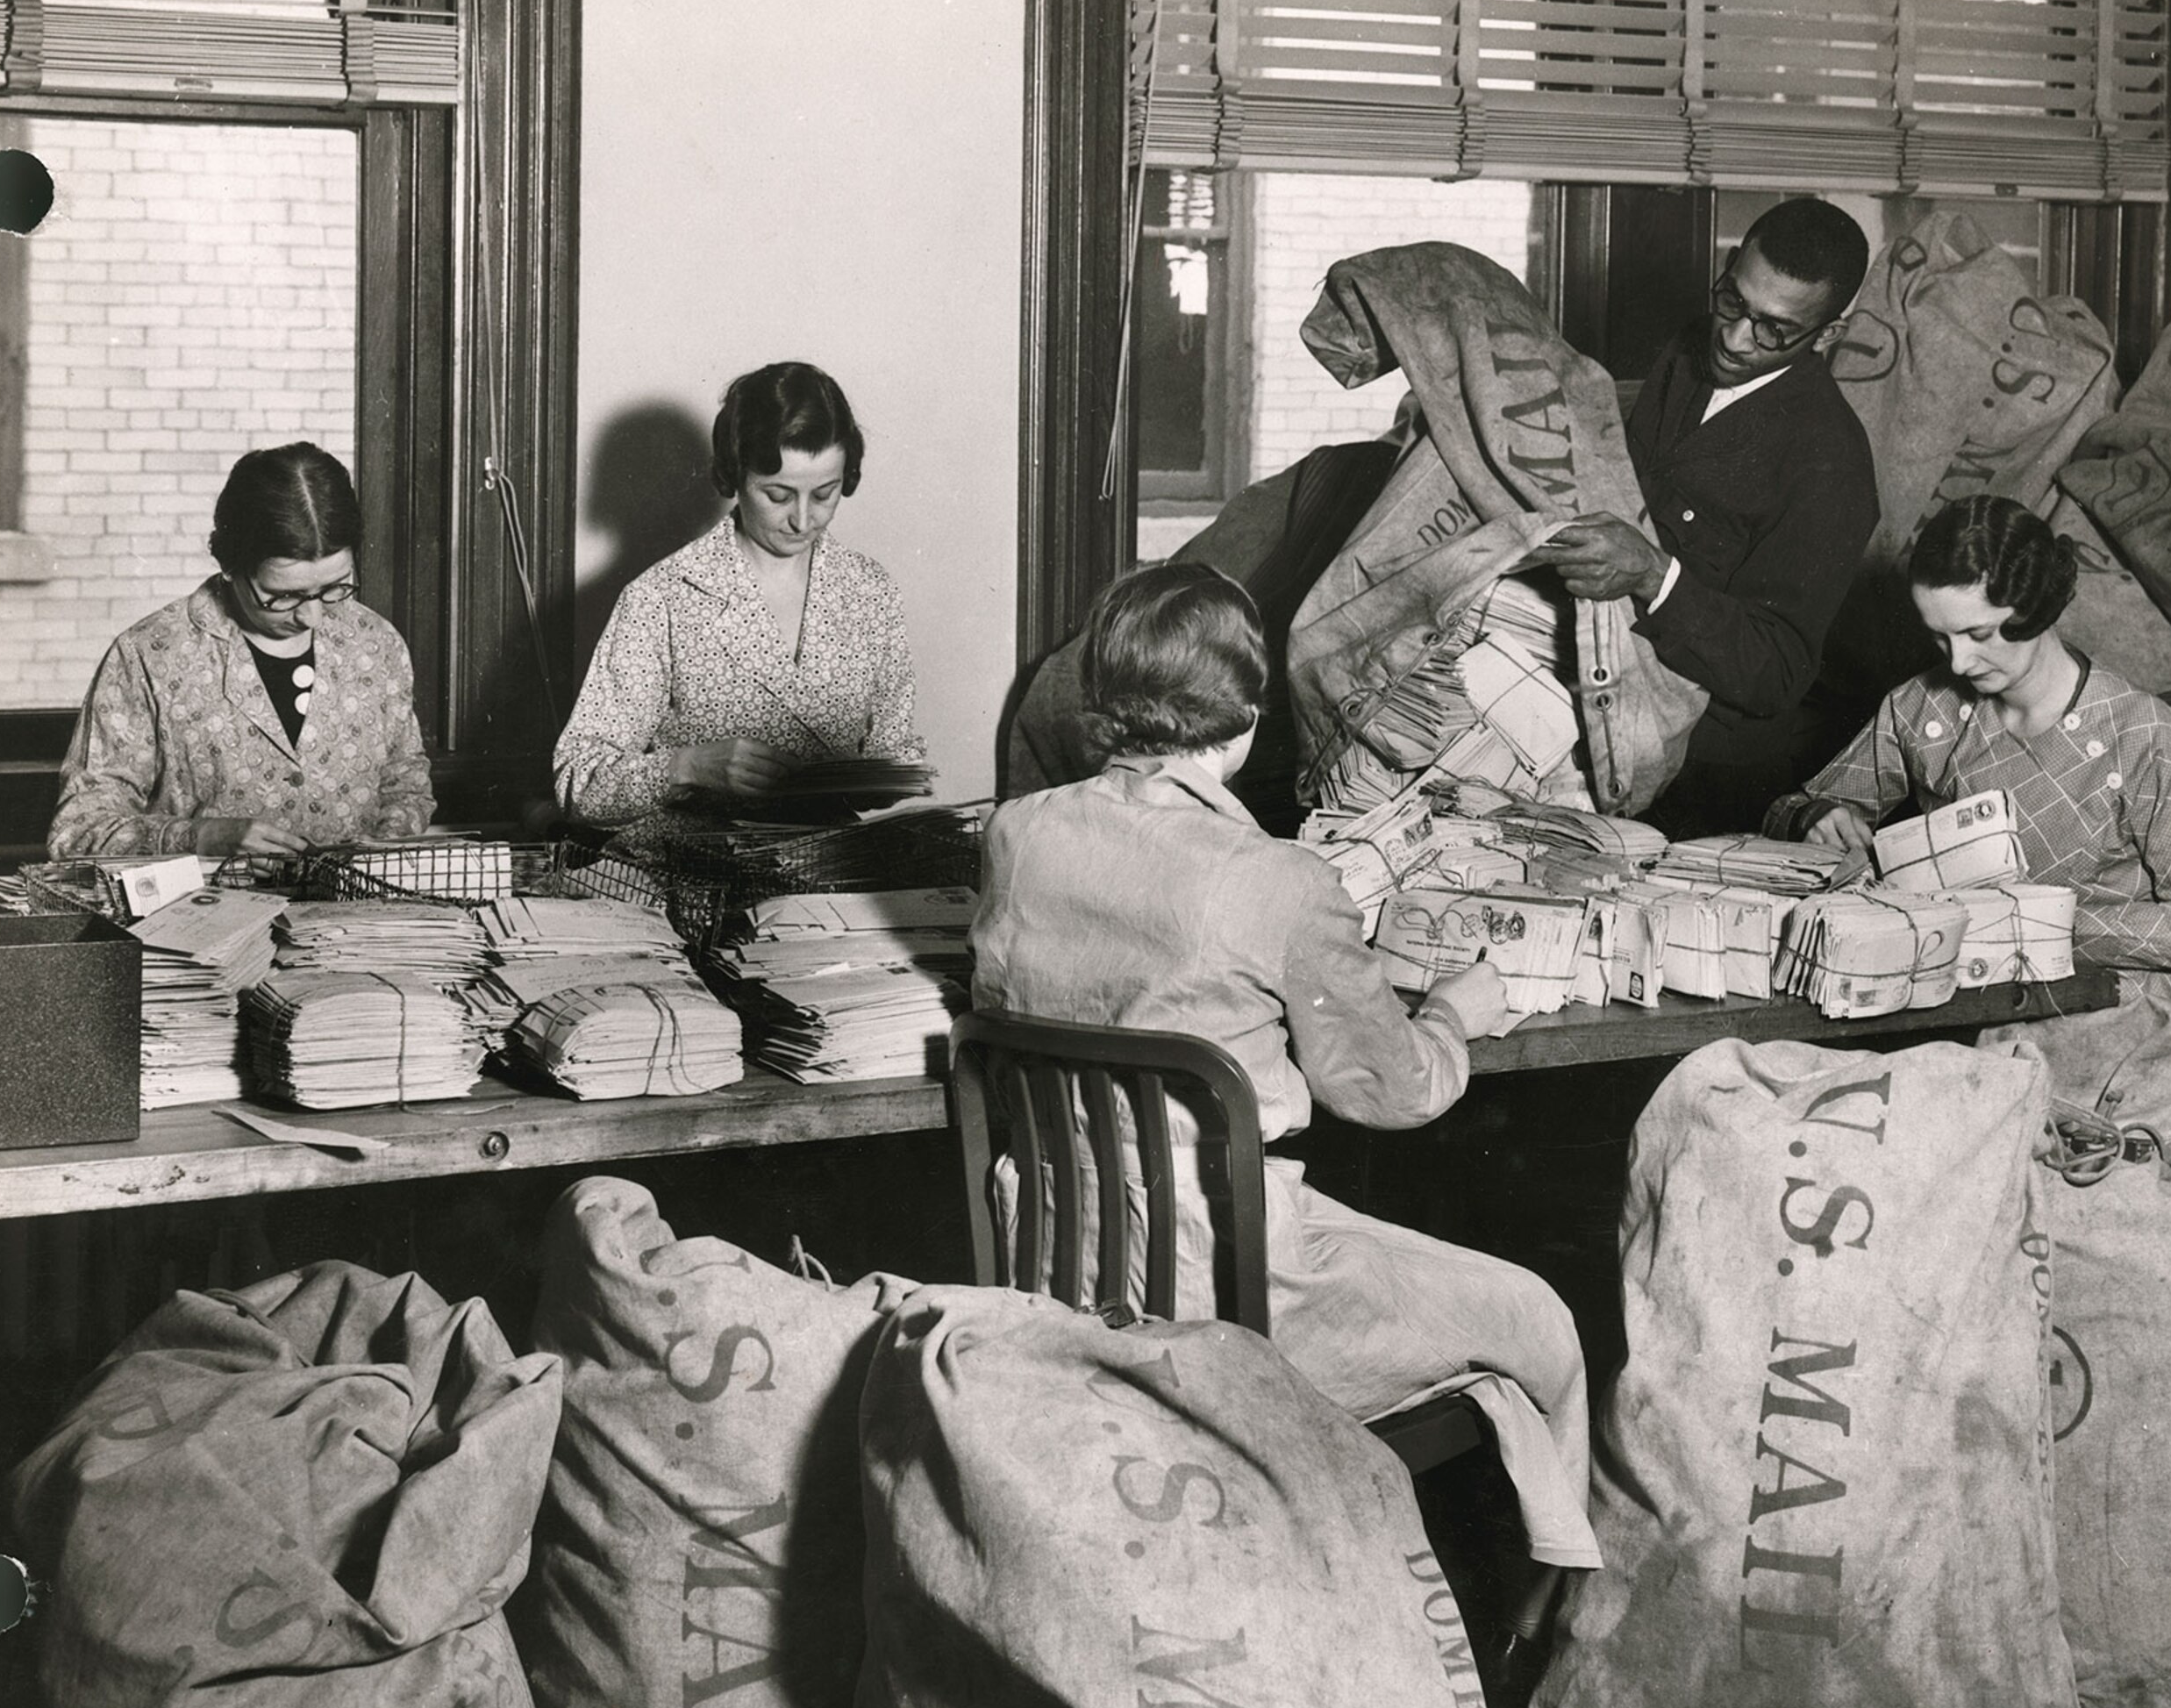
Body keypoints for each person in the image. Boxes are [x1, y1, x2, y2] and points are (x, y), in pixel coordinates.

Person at [969, 561, 1602, 1590]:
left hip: (1056, 1260)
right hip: (1234, 1286)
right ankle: (1541, 1629)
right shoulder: (1271, 881)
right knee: (1535, 1318)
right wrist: (1455, 1012)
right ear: (1246, 723)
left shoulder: (1015, 834)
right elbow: (1390, 1095)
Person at [1765, 494, 2171, 997]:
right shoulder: (1926, 707)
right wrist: (1812, 817)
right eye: (1941, 638)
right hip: (1947, 992)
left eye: (1979, 633)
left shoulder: (2145, 738)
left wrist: (2037, 924)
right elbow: (1788, 811)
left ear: (2036, 606)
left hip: (2094, 1004)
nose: (1960, 664)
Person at [1535, 197, 1881, 838]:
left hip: (1697, 762)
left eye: (1774, 330)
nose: (1734, 337)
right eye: (1732, 300)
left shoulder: (1831, 464)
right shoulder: (1688, 350)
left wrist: (1652, 575)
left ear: (1828, 335)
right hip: (1593, 670)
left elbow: (1776, 672)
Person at [553, 361, 924, 825]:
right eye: (778, 495)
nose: (803, 520)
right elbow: (579, 782)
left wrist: (882, 779)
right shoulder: (662, 598)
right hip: (693, 876)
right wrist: (688, 766)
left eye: (825, 494)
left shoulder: (871, 591)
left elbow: (895, 750)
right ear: (734, 476)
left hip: (829, 870)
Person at [50, 444, 435, 861]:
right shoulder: (147, 656)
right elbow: (78, 831)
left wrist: (377, 855)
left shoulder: (376, 643)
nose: (313, 616)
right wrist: (198, 839)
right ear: (230, 564)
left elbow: (406, 787)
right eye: (283, 596)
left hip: (351, 919)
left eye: (334, 588)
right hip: (199, 921)